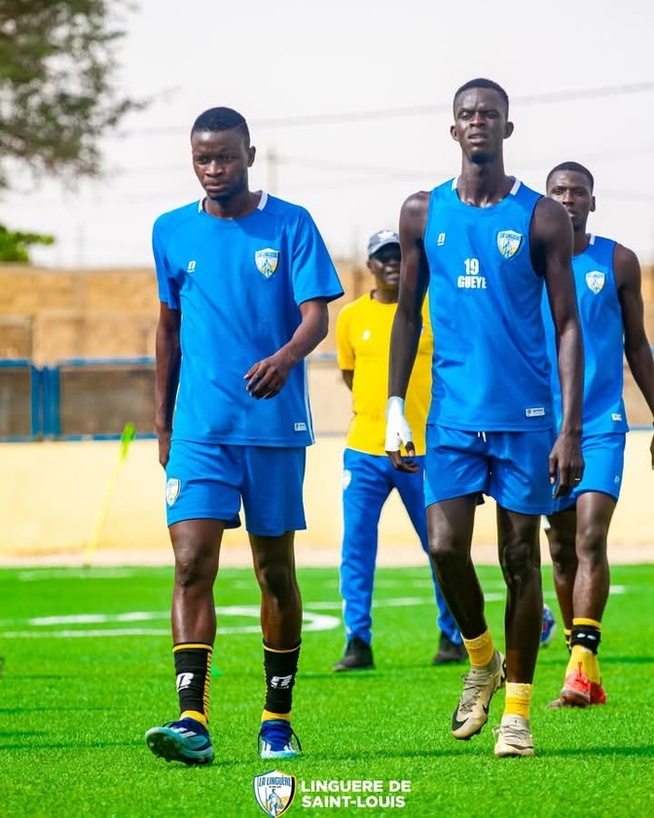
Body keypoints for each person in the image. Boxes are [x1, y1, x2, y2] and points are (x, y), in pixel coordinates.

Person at [385, 78, 585, 758]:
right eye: (467, 115)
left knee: (520, 559)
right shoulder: (422, 212)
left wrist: (568, 426)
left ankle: (519, 715)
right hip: (450, 420)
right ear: (452, 130)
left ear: (507, 128)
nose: (477, 124)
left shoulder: (540, 217)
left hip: (526, 421)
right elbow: (407, 313)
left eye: (489, 115)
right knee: (443, 547)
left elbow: (566, 327)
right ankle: (480, 658)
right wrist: (393, 407)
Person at [144, 106, 343, 765]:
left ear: (249, 155)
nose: (213, 168)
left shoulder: (291, 224)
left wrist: (285, 359)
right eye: (202, 158)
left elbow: (317, 317)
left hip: (273, 428)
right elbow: (168, 330)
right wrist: (164, 419)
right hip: (202, 428)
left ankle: (277, 720)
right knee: (191, 562)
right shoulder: (170, 231)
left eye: (225, 156)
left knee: (272, 570)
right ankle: (192, 719)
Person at [542, 161, 654, 707]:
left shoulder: (619, 261)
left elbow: (638, 346)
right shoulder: (525, 266)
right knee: (560, 548)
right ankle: (581, 661)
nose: (568, 199)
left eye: (578, 192)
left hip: (603, 424)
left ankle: (581, 665)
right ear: (545, 201)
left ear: (592, 202)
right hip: (539, 428)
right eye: (558, 191)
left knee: (589, 538)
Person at [333, 229, 464, 672]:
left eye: (398, 256)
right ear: (369, 265)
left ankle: (453, 635)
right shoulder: (350, 317)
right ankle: (357, 641)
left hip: (423, 450)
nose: (391, 263)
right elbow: (351, 377)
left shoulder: (430, 309)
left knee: (440, 546)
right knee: (357, 546)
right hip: (364, 451)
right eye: (382, 257)